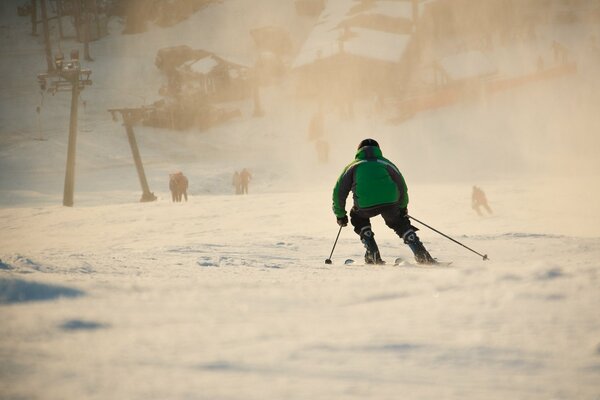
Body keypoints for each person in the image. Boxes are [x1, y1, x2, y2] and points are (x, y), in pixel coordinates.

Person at [332, 138, 436, 264]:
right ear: (378, 150)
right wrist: (402, 208)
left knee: (357, 217)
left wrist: (340, 215)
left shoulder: (353, 166)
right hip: (390, 203)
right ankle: (422, 255)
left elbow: (339, 192)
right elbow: (401, 186)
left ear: (358, 150)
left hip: (364, 206)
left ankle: (372, 252)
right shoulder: (386, 163)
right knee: (399, 223)